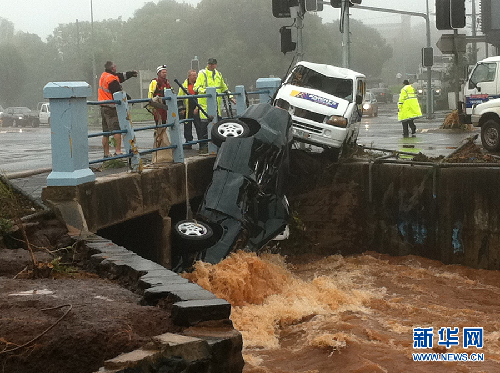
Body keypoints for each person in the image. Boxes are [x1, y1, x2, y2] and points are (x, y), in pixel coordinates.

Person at [193, 58, 234, 154]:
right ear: (207, 64)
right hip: (205, 106)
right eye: (210, 64)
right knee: (204, 128)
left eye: (213, 64)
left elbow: (224, 87)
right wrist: (207, 92)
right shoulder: (202, 74)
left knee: (217, 127)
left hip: (216, 106)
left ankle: (217, 147)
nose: (211, 66)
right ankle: (204, 148)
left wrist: (230, 97)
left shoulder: (219, 74)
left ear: (216, 65)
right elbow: (196, 87)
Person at [98, 61, 137, 157]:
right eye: (115, 66)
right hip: (111, 107)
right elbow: (118, 92)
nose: (116, 67)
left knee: (106, 132)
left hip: (103, 106)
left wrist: (130, 74)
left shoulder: (105, 75)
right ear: (112, 68)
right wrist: (128, 98)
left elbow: (120, 76)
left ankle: (106, 153)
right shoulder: (111, 79)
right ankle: (118, 151)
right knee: (117, 129)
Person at [148, 64, 174, 162]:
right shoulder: (155, 82)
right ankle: (158, 144)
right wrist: (152, 104)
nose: (165, 74)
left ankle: (163, 143)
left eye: (165, 72)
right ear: (159, 73)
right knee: (158, 126)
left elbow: (170, 92)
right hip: (158, 108)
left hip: (165, 108)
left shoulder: (167, 82)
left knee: (164, 124)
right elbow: (151, 93)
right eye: (163, 72)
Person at [178, 69, 201, 150]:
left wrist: (198, 108)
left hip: (197, 108)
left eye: (196, 75)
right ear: (189, 76)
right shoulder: (184, 85)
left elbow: (201, 97)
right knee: (187, 126)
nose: (195, 77)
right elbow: (180, 98)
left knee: (199, 126)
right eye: (193, 75)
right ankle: (188, 142)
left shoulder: (199, 84)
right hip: (188, 108)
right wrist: (182, 109)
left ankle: (202, 142)